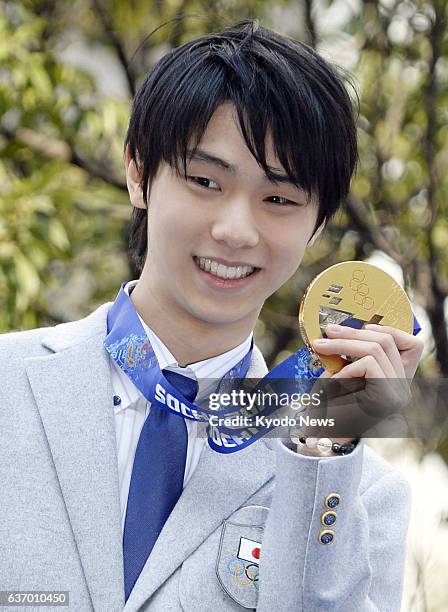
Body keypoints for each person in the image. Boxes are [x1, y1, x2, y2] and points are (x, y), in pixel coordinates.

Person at [0, 20, 423, 612]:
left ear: (318, 225)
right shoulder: (9, 388)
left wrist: (325, 439)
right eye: (204, 180)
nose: (235, 230)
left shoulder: (361, 492)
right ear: (138, 172)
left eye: (278, 199)